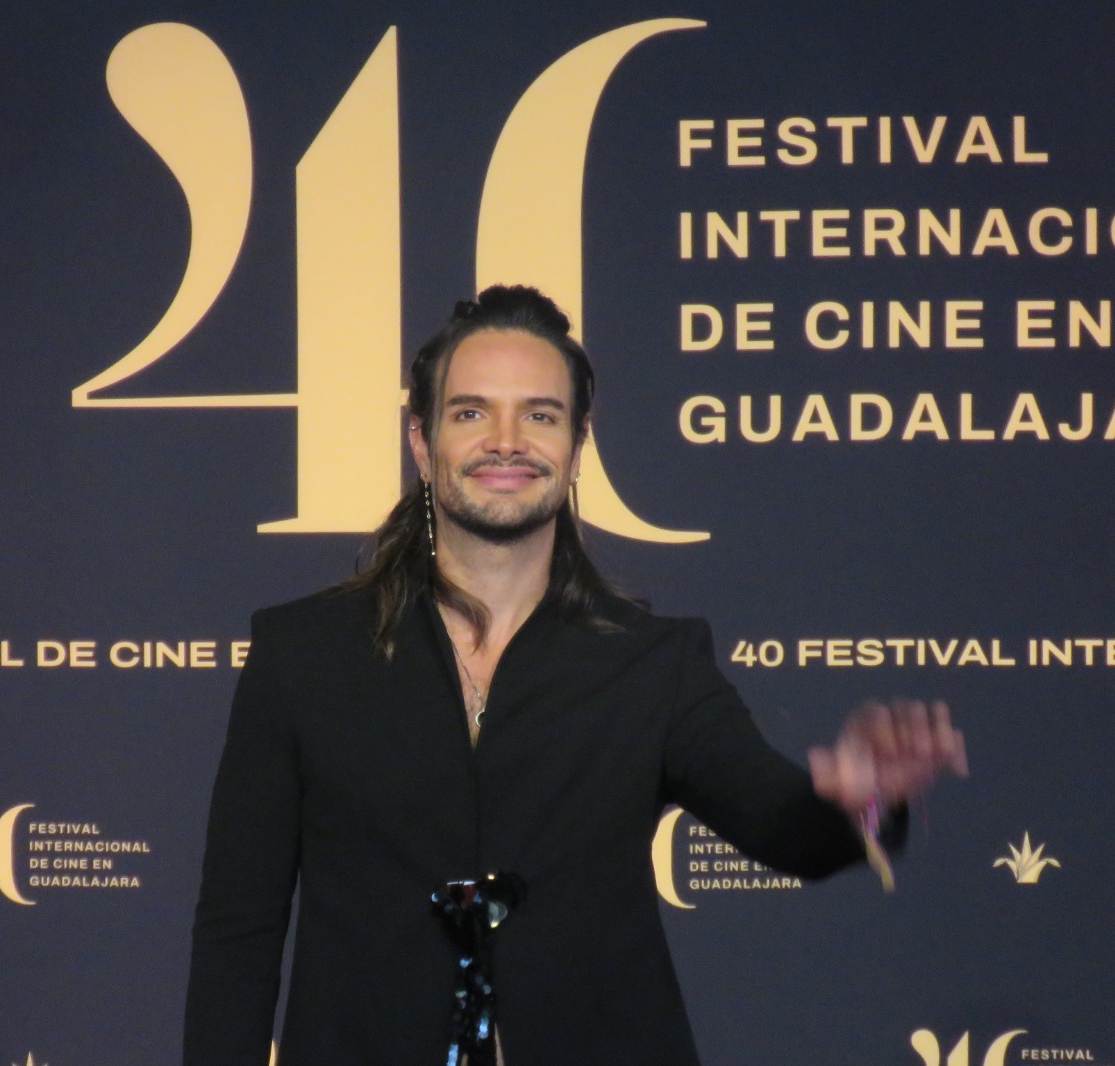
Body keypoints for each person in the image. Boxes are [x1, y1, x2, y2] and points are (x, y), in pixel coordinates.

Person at [184, 285, 968, 1066]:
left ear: (578, 441)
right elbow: (237, 931)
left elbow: (783, 825)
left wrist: (866, 796)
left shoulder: (651, 661)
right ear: (422, 442)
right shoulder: (303, 653)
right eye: (471, 412)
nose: (506, 440)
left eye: (540, 414)